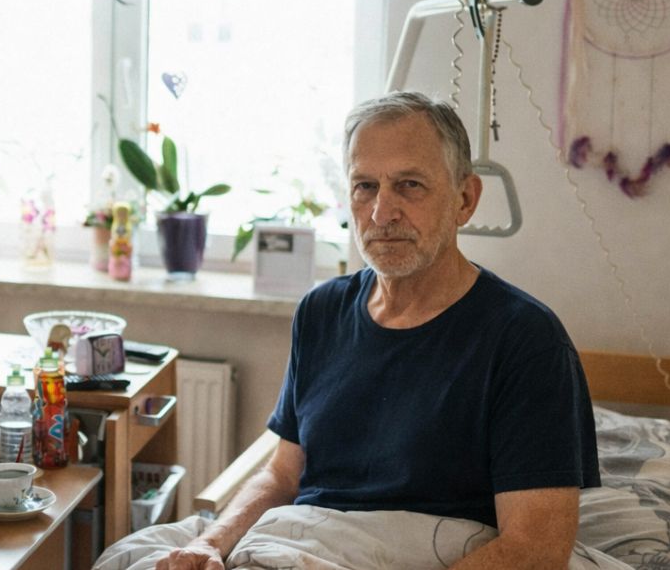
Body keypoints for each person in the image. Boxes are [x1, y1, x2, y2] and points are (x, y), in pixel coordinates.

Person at [158, 91, 599, 569]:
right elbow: (284, 476)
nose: (380, 212)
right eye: (365, 186)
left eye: (409, 185)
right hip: (299, 547)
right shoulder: (321, 312)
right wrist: (211, 542)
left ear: (465, 199)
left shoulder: (526, 340)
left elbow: (536, 550)